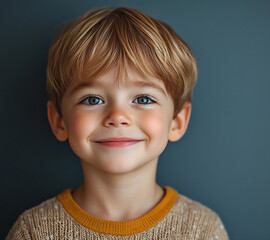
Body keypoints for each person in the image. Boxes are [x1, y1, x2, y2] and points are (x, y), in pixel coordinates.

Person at [7, 7, 228, 240]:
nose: (117, 116)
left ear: (177, 122)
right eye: (93, 99)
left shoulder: (203, 229)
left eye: (143, 99)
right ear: (59, 121)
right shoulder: (33, 231)